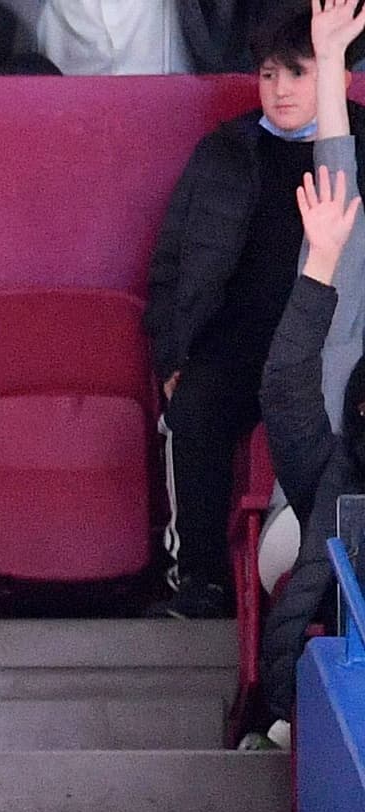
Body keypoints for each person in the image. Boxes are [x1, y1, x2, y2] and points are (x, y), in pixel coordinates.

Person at [151, 15, 339, 617]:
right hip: (235, 341)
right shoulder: (226, 149)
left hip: (328, 345)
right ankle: (198, 582)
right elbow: (173, 263)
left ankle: (319, 587)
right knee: (193, 411)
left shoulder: (355, 144)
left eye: (297, 72)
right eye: (268, 74)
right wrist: (174, 356)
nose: (280, 88)